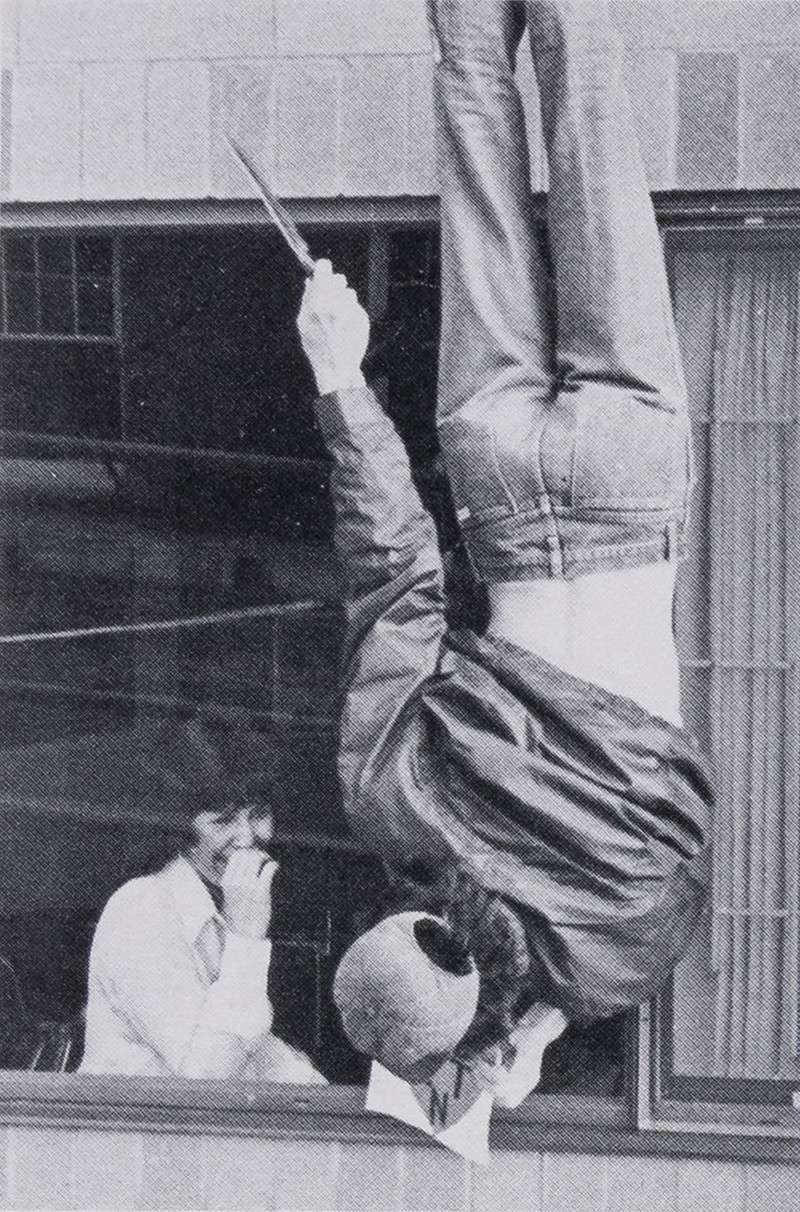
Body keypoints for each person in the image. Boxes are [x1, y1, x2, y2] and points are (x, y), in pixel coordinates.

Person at [295, 0, 712, 1102]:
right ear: (390, 921)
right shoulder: (391, 804)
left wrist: (528, 1035)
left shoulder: (624, 947)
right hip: (503, 499)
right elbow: (394, 576)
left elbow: (565, 969)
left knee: (593, 139)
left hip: (626, 500)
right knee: (479, 161)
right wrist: (339, 381)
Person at [80, 720, 325, 1083]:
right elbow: (208, 1079)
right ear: (181, 829)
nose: (247, 837)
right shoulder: (141, 909)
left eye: (258, 815)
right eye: (223, 821)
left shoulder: (217, 910)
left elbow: (258, 1052)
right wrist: (246, 940)